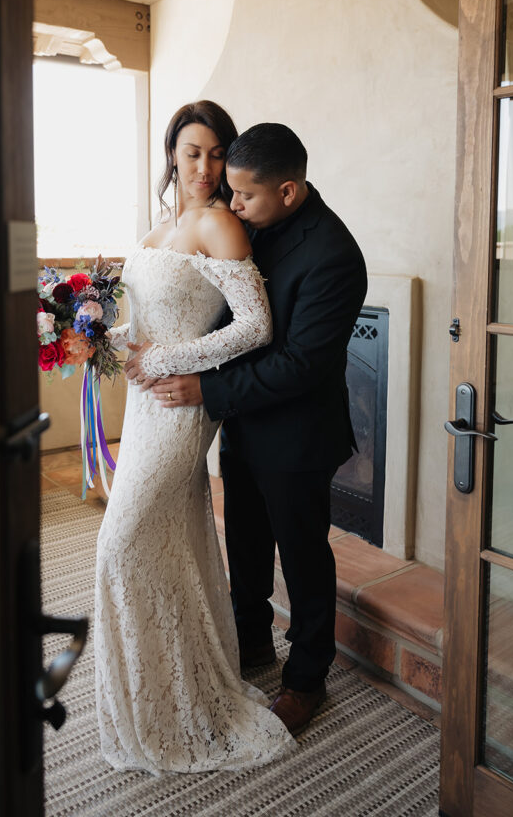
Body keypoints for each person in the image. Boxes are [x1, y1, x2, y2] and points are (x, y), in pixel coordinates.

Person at [95, 102, 295, 774]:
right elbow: (153, 317)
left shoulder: (219, 224)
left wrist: (165, 361)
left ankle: (180, 695)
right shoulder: (161, 226)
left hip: (181, 407)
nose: (205, 168)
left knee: (120, 543)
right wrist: (104, 337)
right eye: (191, 153)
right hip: (143, 401)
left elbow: (253, 328)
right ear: (171, 155)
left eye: (215, 154)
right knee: (168, 541)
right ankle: (168, 690)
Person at [148, 123, 367, 737]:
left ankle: (306, 679)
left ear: (289, 190)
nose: (232, 203)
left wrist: (207, 389)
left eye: (244, 195)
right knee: (243, 543)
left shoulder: (334, 256)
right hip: (245, 423)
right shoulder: (257, 226)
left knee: (302, 558)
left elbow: (300, 363)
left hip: (297, 436)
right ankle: (251, 644)